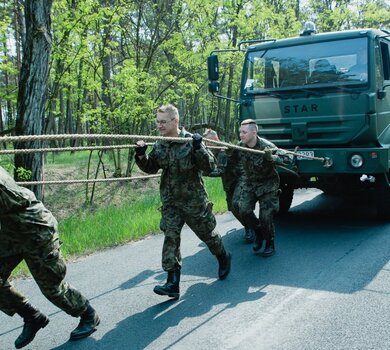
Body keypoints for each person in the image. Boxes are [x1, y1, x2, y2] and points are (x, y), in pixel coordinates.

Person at [135, 104, 231, 299]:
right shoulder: (160, 143)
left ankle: (223, 257)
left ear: (175, 121)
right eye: (157, 122)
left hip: (194, 201)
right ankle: (172, 283)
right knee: (171, 237)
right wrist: (140, 155)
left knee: (208, 235)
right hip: (171, 202)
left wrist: (198, 148)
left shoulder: (191, 141)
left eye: (163, 122)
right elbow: (151, 167)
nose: (159, 126)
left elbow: (209, 166)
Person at [0, 166, 100, 349]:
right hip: (11, 232)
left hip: (37, 230)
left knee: (52, 288)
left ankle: (88, 314)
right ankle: (32, 316)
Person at [232, 119, 287, 257]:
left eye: (244, 132)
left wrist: (272, 158)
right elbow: (229, 158)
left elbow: (286, 160)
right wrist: (227, 152)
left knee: (265, 216)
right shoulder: (240, 146)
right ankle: (258, 232)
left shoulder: (266, 146)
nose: (241, 135)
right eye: (240, 132)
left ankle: (270, 242)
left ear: (254, 132)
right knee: (243, 210)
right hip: (250, 184)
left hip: (268, 185)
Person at [202, 128, 255, 243]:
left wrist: (202, 172)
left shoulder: (222, 150)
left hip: (241, 179)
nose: (207, 144)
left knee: (238, 204)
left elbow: (219, 171)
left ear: (215, 139)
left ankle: (252, 228)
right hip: (229, 182)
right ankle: (250, 225)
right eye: (206, 142)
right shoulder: (212, 151)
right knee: (232, 208)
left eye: (208, 142)